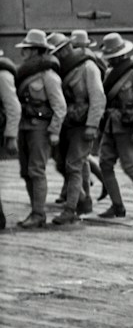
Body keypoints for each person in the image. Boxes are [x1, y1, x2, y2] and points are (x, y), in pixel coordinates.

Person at [95, 33, 133, 219]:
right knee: (105, 163)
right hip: (111, 126)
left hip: (128, 126)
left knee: (130, 166)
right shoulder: (109, 74)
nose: (109, 61)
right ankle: (117, 205)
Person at [12, 30, 66, 229]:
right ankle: (35, 211)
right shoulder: (24, 73)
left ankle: (38, 213)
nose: (23, 53)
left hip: (40, 129)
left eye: (27, 49)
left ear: (36, 51)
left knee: (36, 170)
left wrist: (54, 131)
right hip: (24, 127)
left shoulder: (49, 76)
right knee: (26, 171)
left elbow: (60, 107)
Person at [52, 30, 104, 224]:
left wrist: (92, 125)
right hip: (69, 124)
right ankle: (85, 201)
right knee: (78, 163)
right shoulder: (62, 70)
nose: (56, 56)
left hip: (83, 124)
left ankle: (70, 209)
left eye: (59, 51)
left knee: (73, 165)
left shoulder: (88, 67)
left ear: (67, 49)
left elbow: (98, 98)